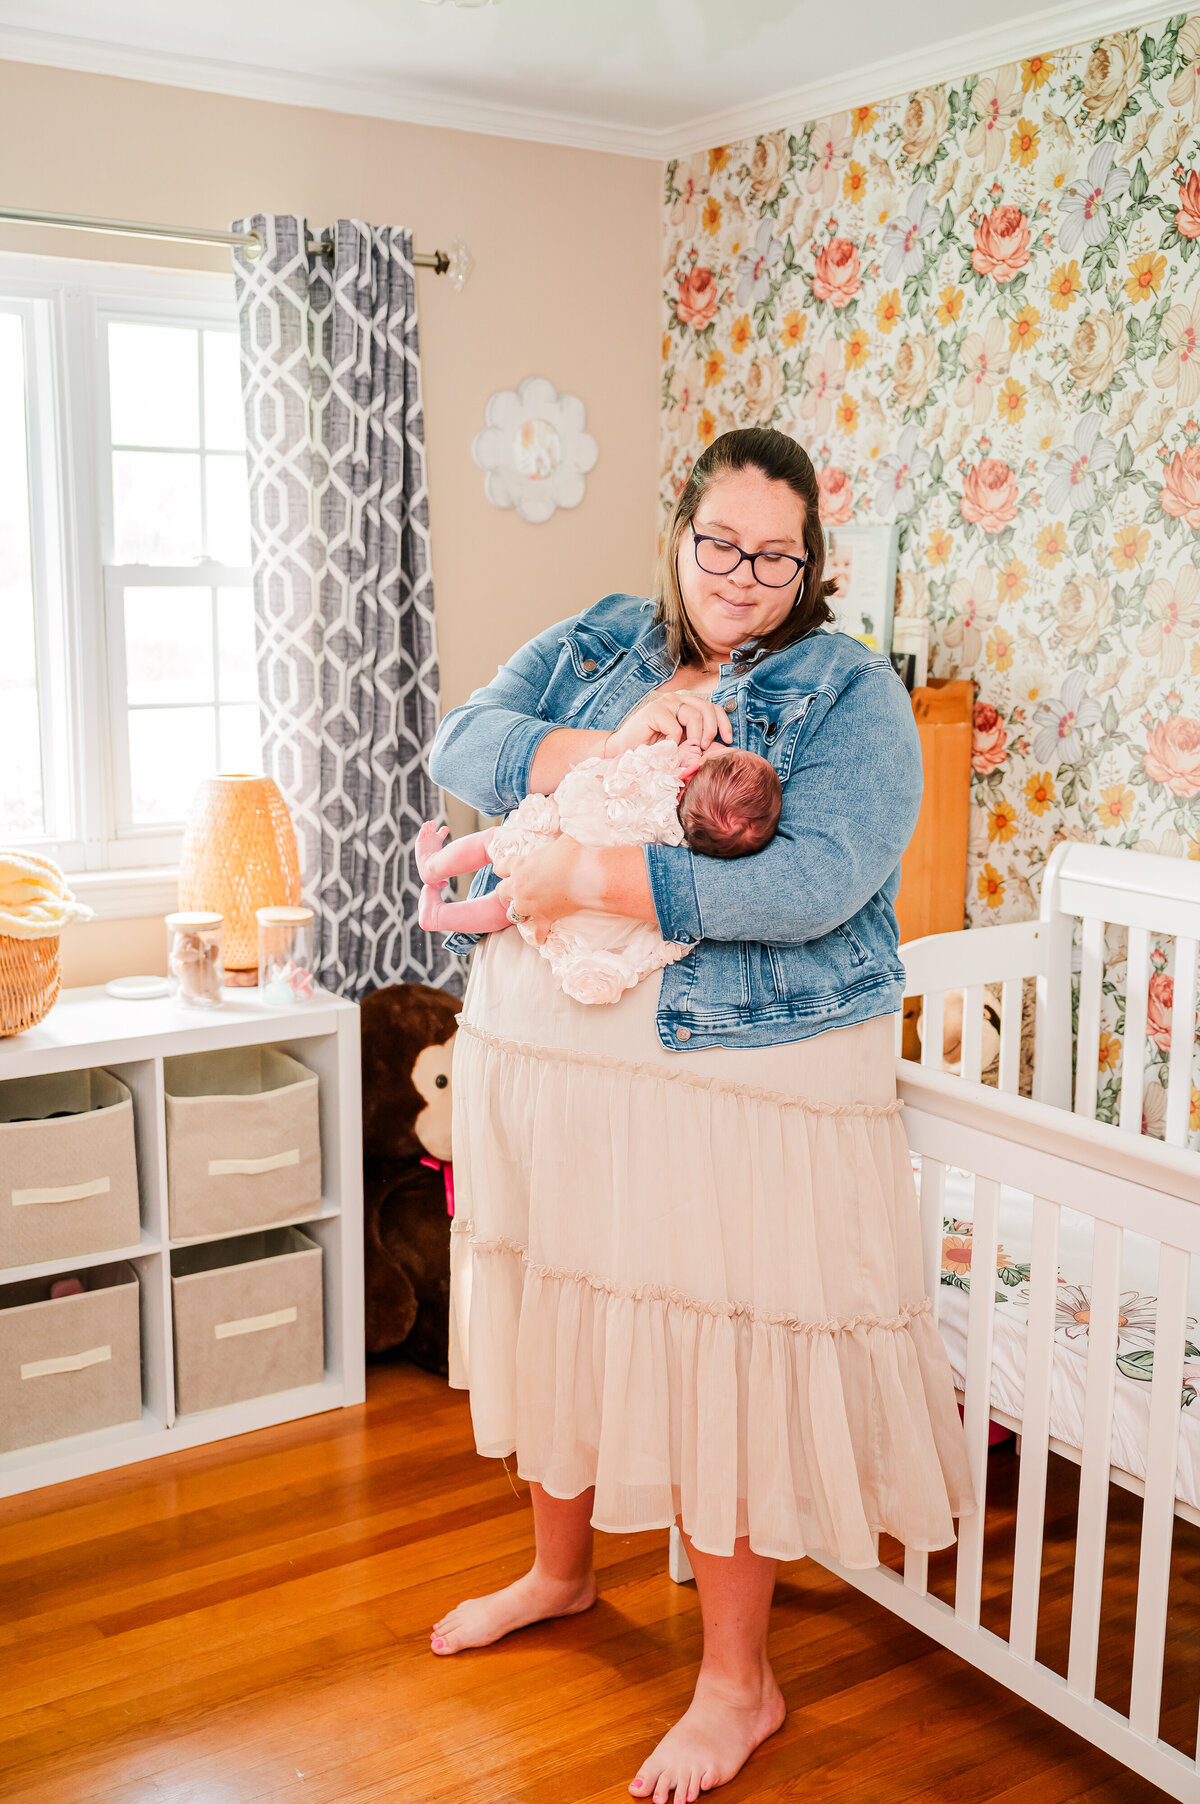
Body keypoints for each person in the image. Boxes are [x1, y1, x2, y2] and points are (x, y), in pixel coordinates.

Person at [426, 427, 973, 1803]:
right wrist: (596, 740)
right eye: (721, 543)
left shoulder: (849, 691)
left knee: (715, 1335)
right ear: (680, 533)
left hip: (734, 1077)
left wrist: (606, 878)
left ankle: (742, 1681)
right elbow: (465, 738)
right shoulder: (601, 642)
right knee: (568, 1303)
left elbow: (821, 881)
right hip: (548, 1062)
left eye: (776, 555)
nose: (744, 573)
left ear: (811, 564)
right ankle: (560, 1573)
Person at [414, 735, 782, 1005]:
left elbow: (622, 769)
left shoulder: (659, 783)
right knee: (502, 908)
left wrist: (673, 754)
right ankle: (440, 913)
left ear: (691, 773)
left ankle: (434, 866)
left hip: (568, 840)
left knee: (493, 842)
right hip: (586, 915)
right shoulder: (684, 850)